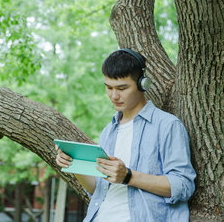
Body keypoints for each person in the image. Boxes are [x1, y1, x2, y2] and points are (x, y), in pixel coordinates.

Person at [55, 48, 196, 222]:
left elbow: (183, 186)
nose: (114, 96)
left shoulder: (167, 125)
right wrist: (73, 164)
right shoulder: (108, 131)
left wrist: (128, 176)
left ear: (142, 84)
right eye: (109, 87)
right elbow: (98, 190)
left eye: (122, 88)